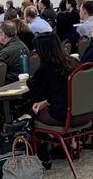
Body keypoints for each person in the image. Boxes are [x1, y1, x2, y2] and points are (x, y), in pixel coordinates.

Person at [23, 33, 87, 167]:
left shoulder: (47, 68)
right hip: (85, 113)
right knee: (38, 105)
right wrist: (47, 101)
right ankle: (64, 146)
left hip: (63, 116)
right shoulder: (73, 62)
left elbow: (34, 86)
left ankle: (42, 156)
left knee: (33, 112)